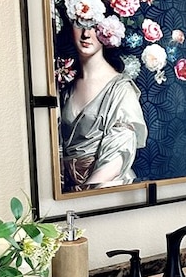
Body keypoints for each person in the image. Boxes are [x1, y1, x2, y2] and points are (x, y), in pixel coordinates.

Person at [59, 23, 148, 192]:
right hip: (69, 190)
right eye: (79, 24)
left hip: (104, 187)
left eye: (93, 26)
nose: (86, 34)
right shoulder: (66, 88)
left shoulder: (120, 89)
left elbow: (117, 155)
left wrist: (84, 196)